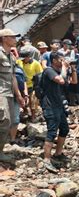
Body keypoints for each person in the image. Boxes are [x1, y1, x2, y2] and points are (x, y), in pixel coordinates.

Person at [41, 52, 77, 172]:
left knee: (65, 129)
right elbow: (61, 81)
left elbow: (74, 82)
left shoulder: (61, 71)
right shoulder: (48, 71)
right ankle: (46, 159)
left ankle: (58, 153)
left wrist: (73, 69)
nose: (63, 61)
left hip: (59, 106)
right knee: (52, 131)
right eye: (60, 59)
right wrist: (64, 68)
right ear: (54, 60)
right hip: (50, 106)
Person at [0, 28, 25, 161]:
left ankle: (0, 151)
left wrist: (19, 95)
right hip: (1, 93)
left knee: (8, 123)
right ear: (4, 38)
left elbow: (13, 77)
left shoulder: (11, 56)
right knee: (5, 120)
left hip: (9, 93)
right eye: (12, 37)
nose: (15, 39)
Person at [16, 50, 42, 121]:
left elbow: (40, 75)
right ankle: (25, 111)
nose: (23, 60)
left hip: (32, 85)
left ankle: (33, 116)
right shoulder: (19, 62)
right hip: (21, 85)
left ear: (29, 57)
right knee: (23, 100)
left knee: (32, 102)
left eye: (25, 58)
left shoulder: (36, 64)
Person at [10, 63, 28, 144]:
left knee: (15, 119)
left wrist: (24, 95)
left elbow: (24, 82)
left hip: (15, 96)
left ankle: (12, 139)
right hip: (7, 95)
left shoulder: (19, 69)